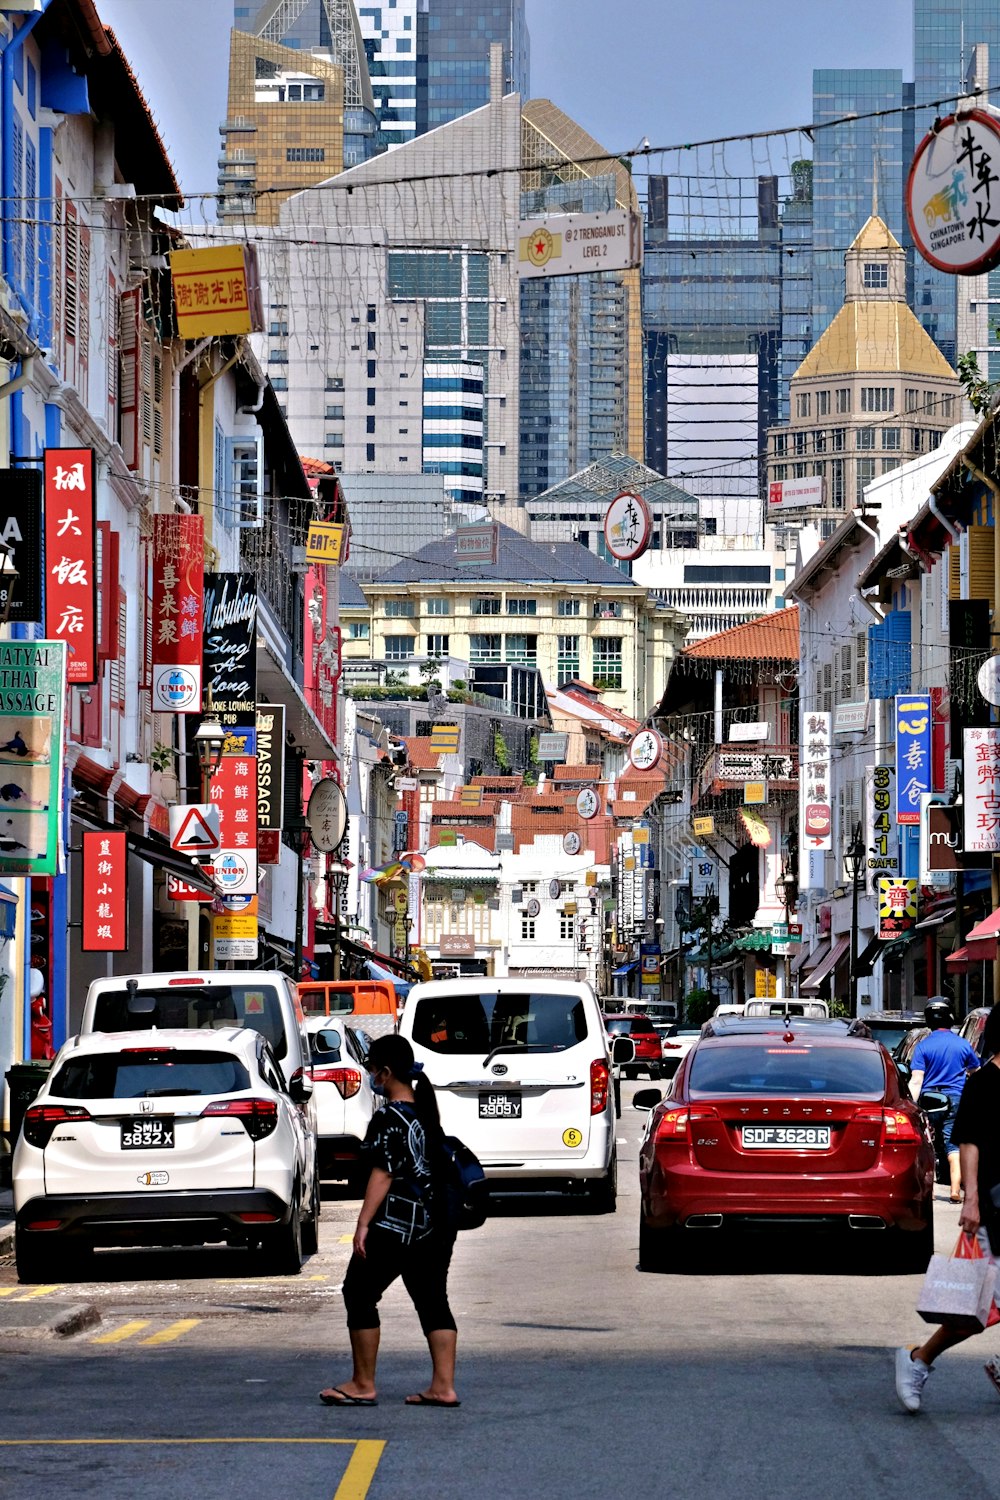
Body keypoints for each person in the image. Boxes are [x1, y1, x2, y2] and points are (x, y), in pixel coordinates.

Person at [319, 1033, 461, 1409]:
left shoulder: (388, 1116)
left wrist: (363, 1223)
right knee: (433, 1300)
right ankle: (443, 1387)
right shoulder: (426, 1113)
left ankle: (363, 1383)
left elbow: (383, 1173)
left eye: (371, 1070)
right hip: (436, 1225)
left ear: (384, 1072)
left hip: (396, 1225)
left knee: (359, 1292)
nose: (370, 1077)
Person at [895, 1004, 1000, 1414]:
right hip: (994, 1203)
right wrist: (970, 1198)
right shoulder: (984, 1083)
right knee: (978, 1304)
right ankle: (918, 1359)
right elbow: (969, 1142)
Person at [908, 998, 979, 1203]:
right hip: (956, 1099)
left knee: (927, 1144)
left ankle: (926, 1190)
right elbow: (976, 1073)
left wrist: (911, 1106)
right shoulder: (963, 1045)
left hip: (930, 1100)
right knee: (953, 1145)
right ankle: (955, 1189)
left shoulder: (923, 1047)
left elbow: (916, 1080)